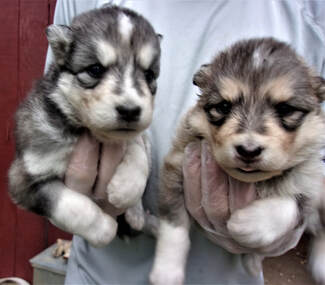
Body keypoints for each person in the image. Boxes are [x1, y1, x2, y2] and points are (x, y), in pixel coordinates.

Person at [45, 0, 325, 284]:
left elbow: (319, 161)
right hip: (98, 275)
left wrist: (293, 211)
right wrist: (69, 195)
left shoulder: (312, 9)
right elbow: (53, 114)